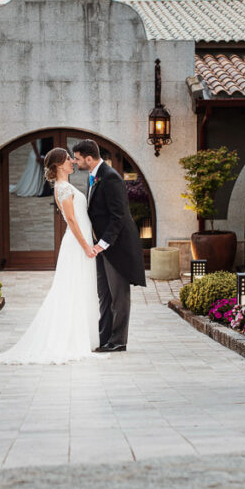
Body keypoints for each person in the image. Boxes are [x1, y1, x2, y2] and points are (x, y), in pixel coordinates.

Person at [0, 147, 103, 364]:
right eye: (68, 160)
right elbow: (72, 221)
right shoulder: (62, 188)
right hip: (76, 245)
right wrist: (86, 246)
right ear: (58, 165)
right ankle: (70, 339)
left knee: (83, 288)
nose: (73, 161)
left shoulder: (67, 185)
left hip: (82, 243)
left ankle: (87, 337)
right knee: (71, 289)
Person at [72, 139, 146, 353]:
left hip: (118, 247)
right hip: (102, 248)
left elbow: (119, 216)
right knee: (103, 294)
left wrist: (102, 244)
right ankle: (103, 337)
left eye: (77, 158)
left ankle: (118, 341)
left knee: (118, 296)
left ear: (88, 157)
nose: (75, 162)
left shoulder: (111, 177)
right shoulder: (92, 176)